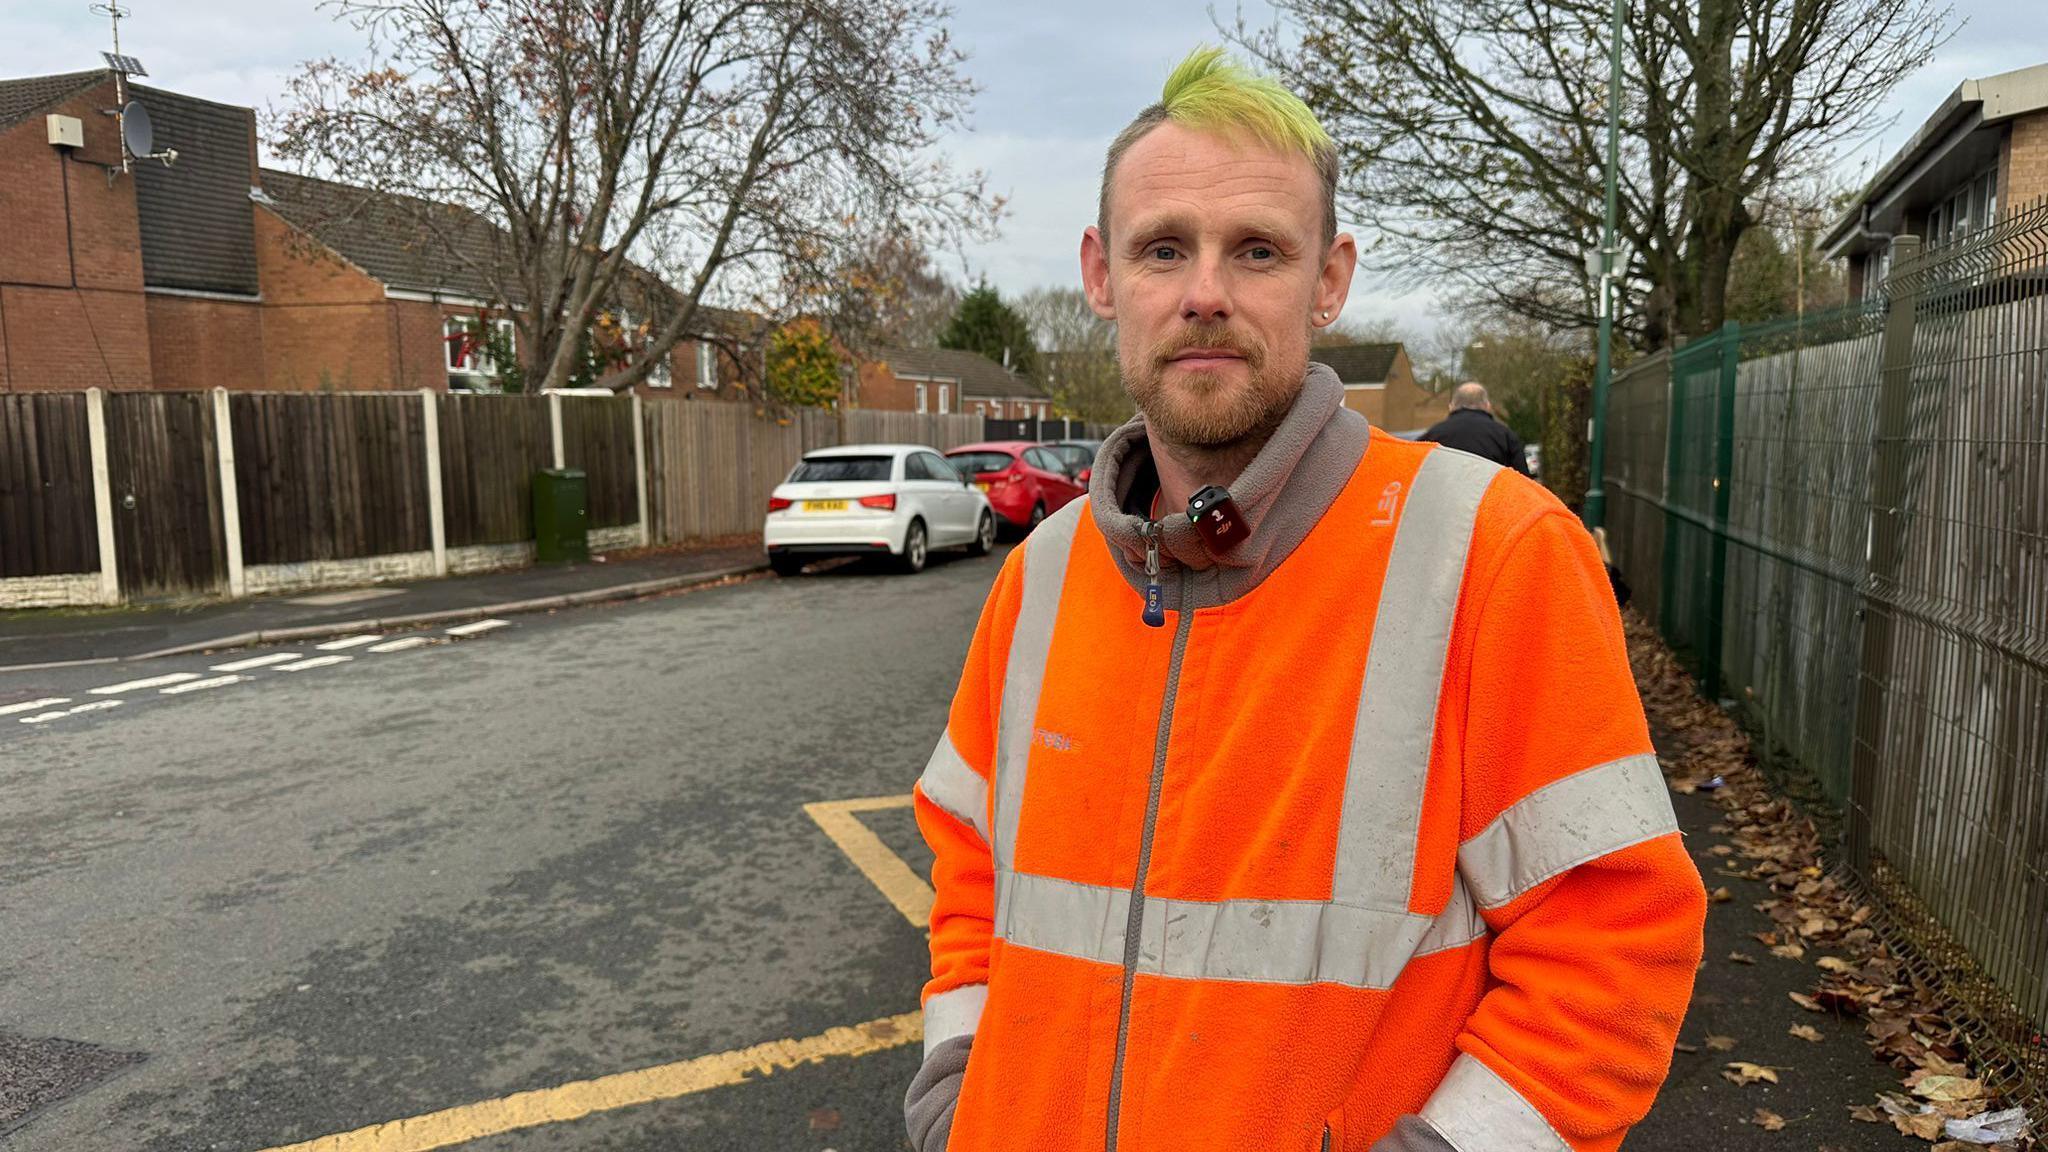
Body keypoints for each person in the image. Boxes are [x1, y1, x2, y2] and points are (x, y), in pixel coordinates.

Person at [905, 47, 1704, 1152]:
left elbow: (1610, 944)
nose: (1203, 294)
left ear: (1329, 280)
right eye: (1163, 248)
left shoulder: (1494, 551)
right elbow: (969, 876)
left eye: (1257, 251)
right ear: (1100, 274)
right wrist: (957, 1096)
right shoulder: (1034, 579)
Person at [1420, 382, 1531, 476]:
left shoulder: (1431, 436)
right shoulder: (1506, 436)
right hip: (1489, 499)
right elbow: (1523, 481)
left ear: (1451, 406)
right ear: (1487, 406)